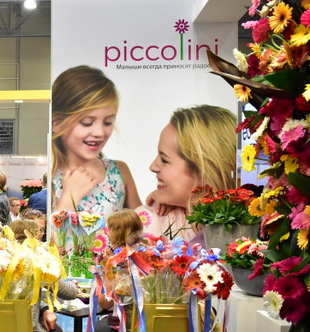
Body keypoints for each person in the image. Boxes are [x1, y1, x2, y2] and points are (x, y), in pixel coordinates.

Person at [136, 105, 237, 241]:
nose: (152, 166)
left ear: (205, 171)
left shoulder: (252, 223)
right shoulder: (144, 225)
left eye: (164, 160)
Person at [51, 65, 141, 214]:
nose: (100, 132)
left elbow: (142, 225)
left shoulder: (119, 172)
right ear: (56, 123)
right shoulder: (49, 179)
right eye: (87, 122)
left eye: (108, 122)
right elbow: (41, 229)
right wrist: (69, 198)